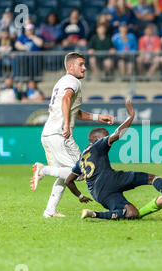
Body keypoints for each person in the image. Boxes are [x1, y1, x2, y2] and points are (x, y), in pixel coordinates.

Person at [30, 52, 115, 218]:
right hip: (60, 134)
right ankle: (43, 170)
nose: (84, 68)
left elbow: (74, 110)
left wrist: (98, 117)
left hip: (48, 133)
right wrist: (67, 125)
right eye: (81, 64)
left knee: (65, 174)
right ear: (70, 67)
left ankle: (50, 211)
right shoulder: (72, 81)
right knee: (81, 172)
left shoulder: (62, 82)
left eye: (84, 64)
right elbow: (66, 100)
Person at [64, 99, 162, 220]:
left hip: (98, 194)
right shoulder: (98, 144)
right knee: (153, 178)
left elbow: (68, 181)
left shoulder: (81, 159)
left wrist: (80, 196)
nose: (107, 138)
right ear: (96, 139)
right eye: (105, 136)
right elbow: (117, 133)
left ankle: (94, 214)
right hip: (109, 179)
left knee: (131, 213)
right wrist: (130, 117)